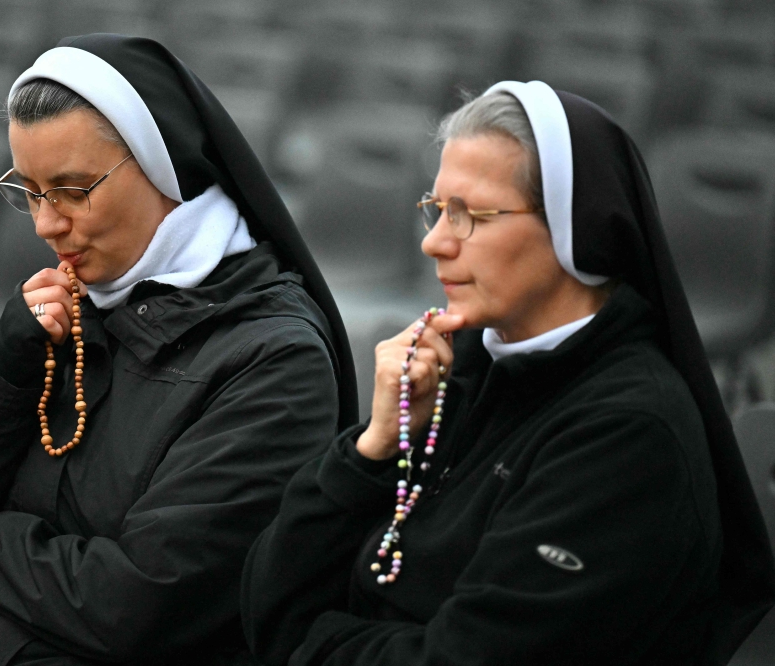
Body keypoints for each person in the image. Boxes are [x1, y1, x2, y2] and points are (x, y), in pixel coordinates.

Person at [0, 34, 358, 666]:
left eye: (73, 189)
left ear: (163, 168)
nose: (46, 225)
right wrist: (6, 371)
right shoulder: (58, 312)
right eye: (32, 192)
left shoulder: (276, 358)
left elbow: (136, 608)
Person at [242, 81, 775, 665]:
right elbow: (265, 600)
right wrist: (372, 449)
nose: (436, 244)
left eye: (470, 215)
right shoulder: (457, 371)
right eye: (437, 211)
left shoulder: (628, 434)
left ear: (575, 228)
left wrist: (308, 642)